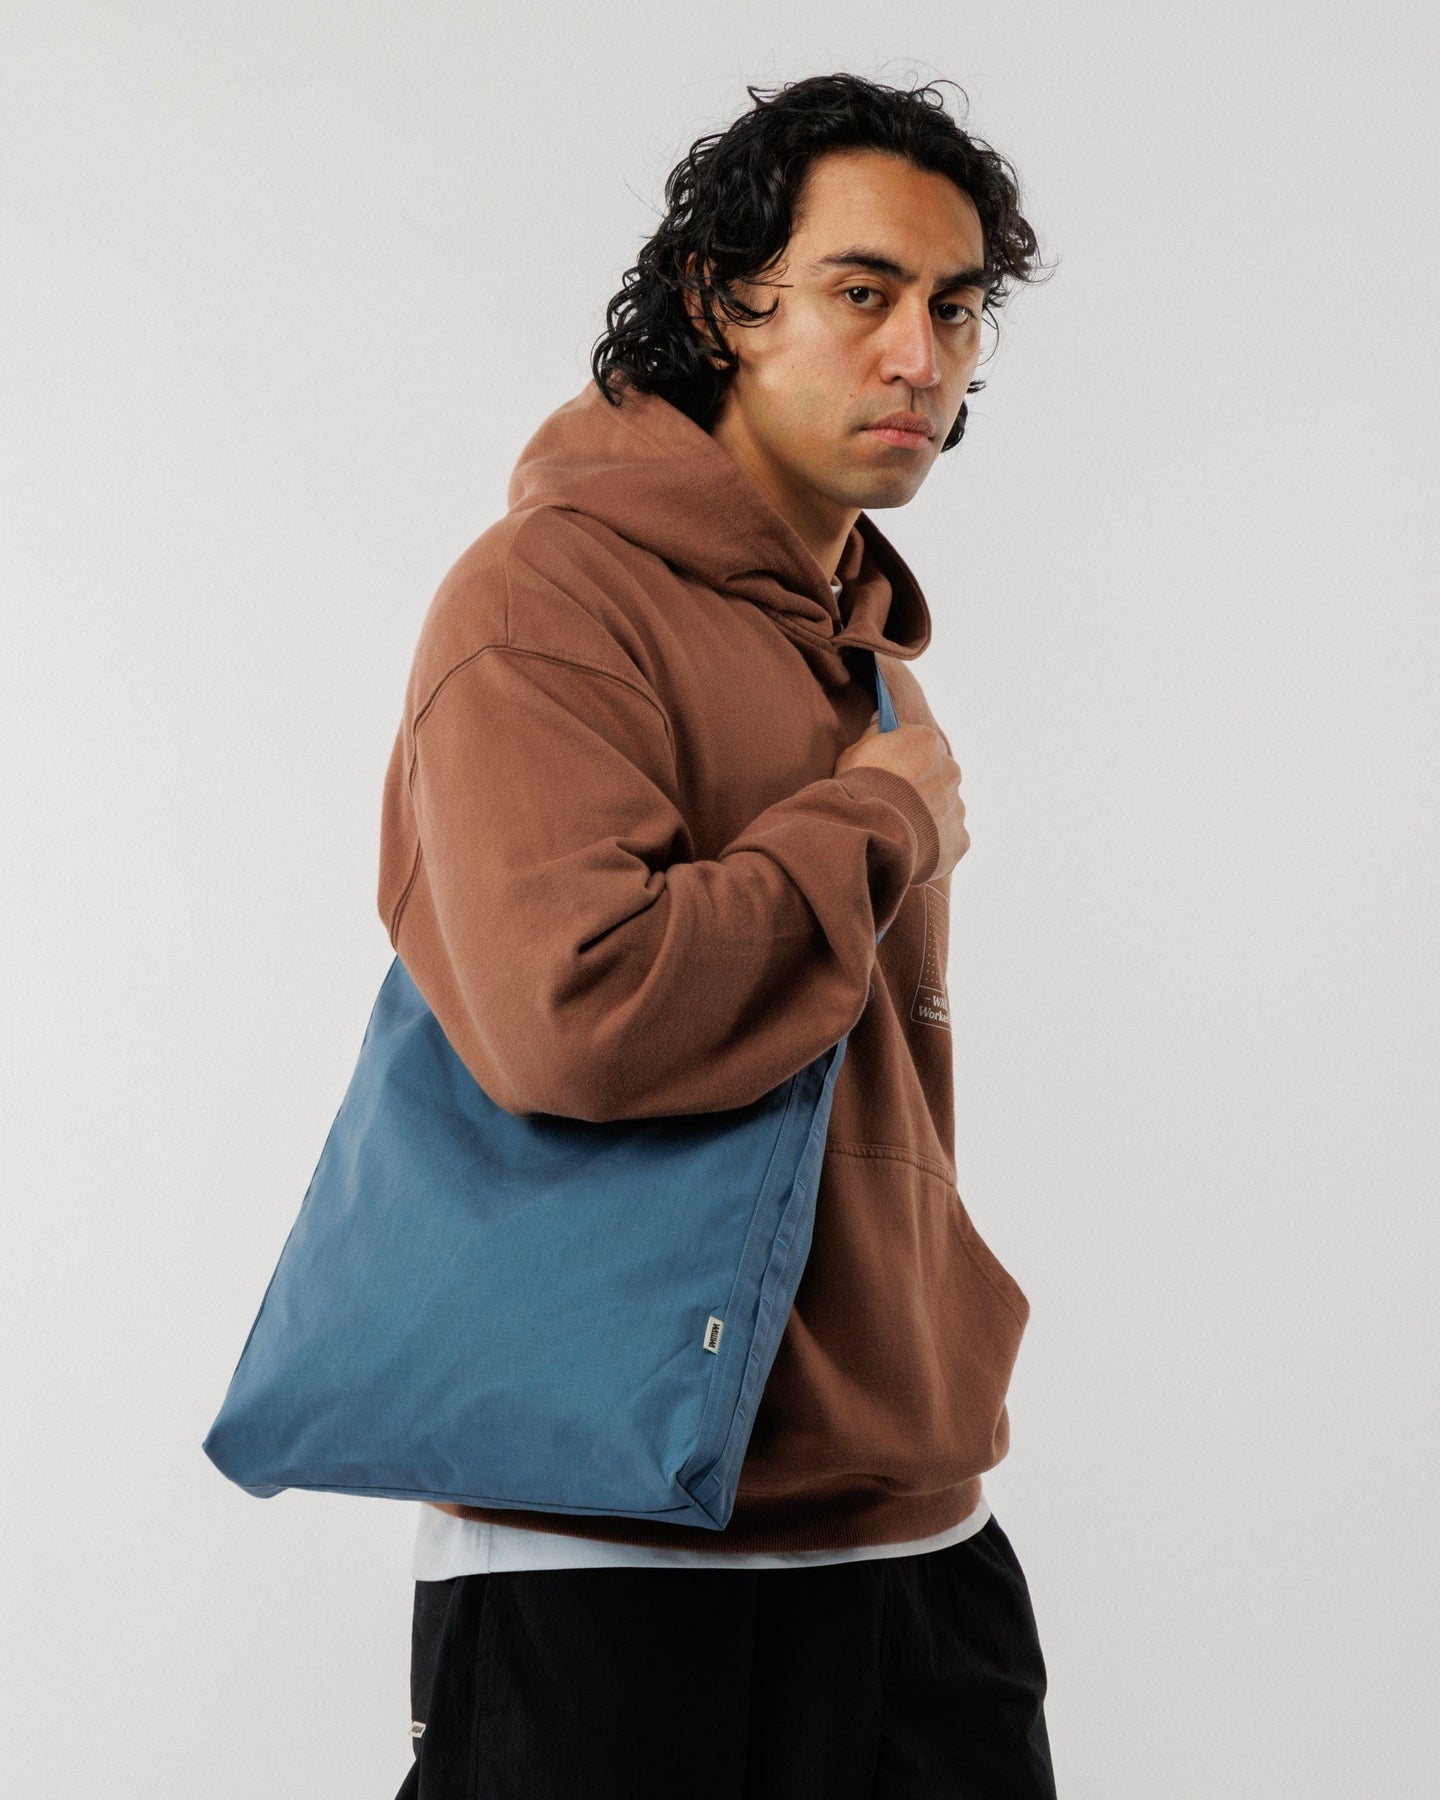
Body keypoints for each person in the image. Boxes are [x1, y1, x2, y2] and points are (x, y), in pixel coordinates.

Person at [384, 69, 1057, 1800]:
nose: (922, 355)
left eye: (956, 306)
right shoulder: (543, 600)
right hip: (606, 1566)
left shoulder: (865, 658)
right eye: (863, 291)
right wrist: (877, 823)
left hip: (912, 1541)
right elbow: (577, 1014)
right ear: (720, 303)